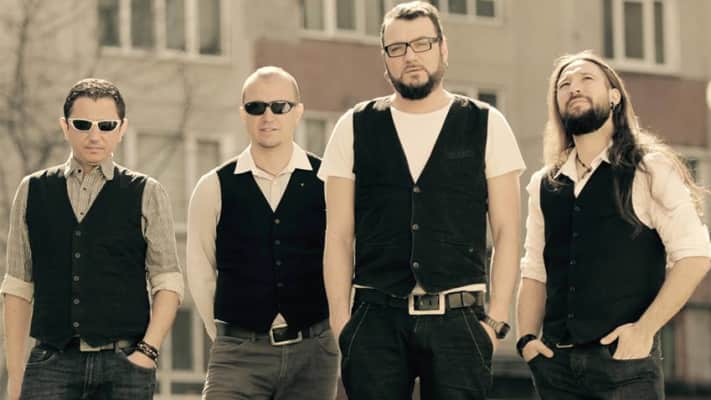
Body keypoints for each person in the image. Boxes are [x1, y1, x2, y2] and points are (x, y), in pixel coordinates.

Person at [318, 2, 525, 399]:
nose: (410, 56)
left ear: (443, 48)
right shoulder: (354, 126)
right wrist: (342, 323)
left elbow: (507, 232)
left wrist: (497, 319)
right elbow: (338, 236)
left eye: (422, 43)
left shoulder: (486, 123)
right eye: (397, 48)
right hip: (375, 321)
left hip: (460, 321)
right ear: (385, 59)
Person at [516, 51, 711, 399]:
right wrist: (526, 339)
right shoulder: (543, 184)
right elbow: (534, 270)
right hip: (555, 371)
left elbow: (695, 256)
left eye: (586, 79)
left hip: (625, 368)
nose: (574, 88)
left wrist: (644, 330)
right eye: (564, 84)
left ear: (614, 96)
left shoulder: (649, 169)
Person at [1, 78, 184, 400]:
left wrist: (147, 352)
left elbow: (168, 282)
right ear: (65, 127)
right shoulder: (32, 190)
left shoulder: (147, 192)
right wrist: (16, 378)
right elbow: (17, 288)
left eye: (106, 125)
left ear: (122, 128)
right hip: (50, 365)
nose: (95, 135)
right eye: (83, 124)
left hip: (124, 366)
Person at [187, 66, 338, 400]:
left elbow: (347, 258)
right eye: (256, 107)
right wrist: (225, 336)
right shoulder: (214, 186)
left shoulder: (328, 181)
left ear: (298, 112)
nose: (268, 116)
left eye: (280, 106)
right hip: (237, 355)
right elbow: (199, 270)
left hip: (313, 355)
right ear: (243, 114)